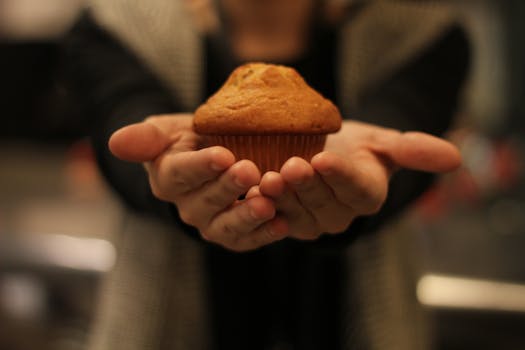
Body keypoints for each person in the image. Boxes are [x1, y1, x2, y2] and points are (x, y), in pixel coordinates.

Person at [65, 0, 470, 348]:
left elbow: (401, 143)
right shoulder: (114, 26)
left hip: (361, 322)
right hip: (161, 321)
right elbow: (126, 144)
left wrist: (368, 183)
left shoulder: (424, 33)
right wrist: (170, 180)